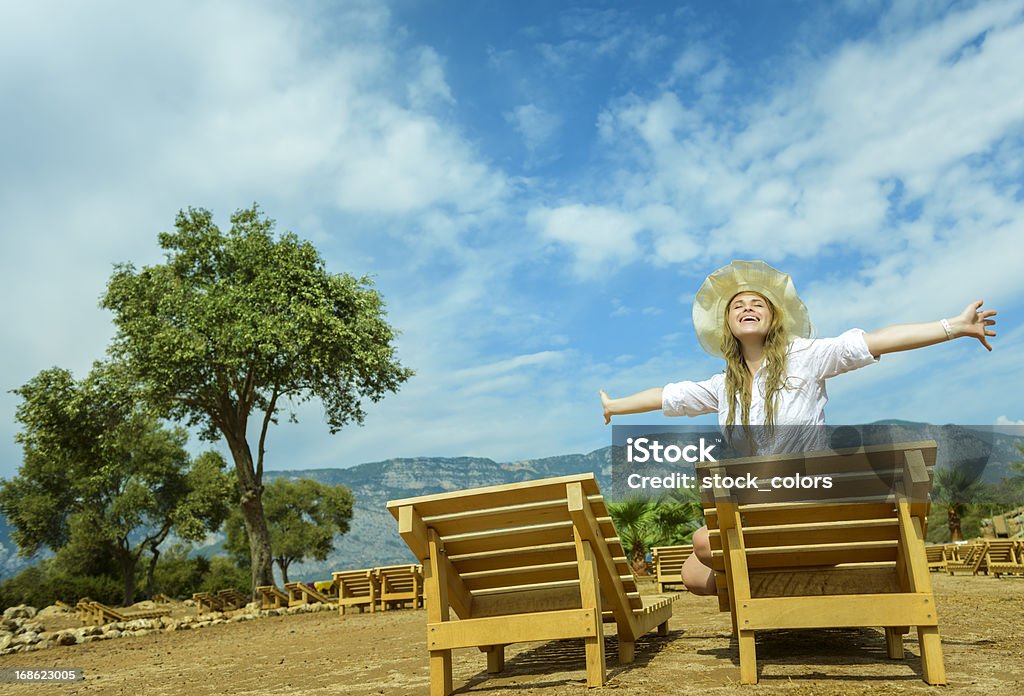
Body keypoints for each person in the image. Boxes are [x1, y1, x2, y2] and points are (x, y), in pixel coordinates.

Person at [599, 260, 997, 595]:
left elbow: (876, 342)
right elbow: (667, 395)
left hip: (813, 501)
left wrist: (952, 326)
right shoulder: (722, 387)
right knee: (693, 574)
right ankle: (793, 583)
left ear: (773, 317)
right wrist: (615, 406)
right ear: (727, 323)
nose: (747, 307)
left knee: (705, 543)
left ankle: (785, 583)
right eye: (738, 305)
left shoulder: (806, 357)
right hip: (762, 505)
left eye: (758, 303)